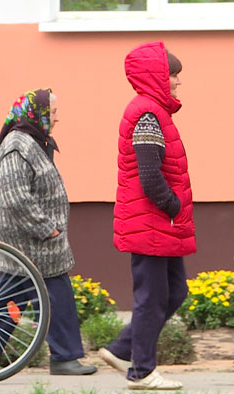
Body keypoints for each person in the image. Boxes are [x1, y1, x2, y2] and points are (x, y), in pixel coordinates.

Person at [0, 89, 97, 376]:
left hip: (38, 237)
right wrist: (46, 227)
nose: (57, 119)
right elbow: (16, 196)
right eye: (53, 113)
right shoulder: (17, 145)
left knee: (14, 294)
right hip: (31, 237)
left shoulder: (32, 140)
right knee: (54, 293)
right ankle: (64, 357)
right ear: (36, 114)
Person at [99, 41, 195, 390]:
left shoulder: (154, 111)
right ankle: (141, 371)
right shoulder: (147, 115)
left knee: (175, 291)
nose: (178, 82)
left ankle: (123, 348)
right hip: (151, 223)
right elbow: (150, 176)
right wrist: (173, 205)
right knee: (152, 297)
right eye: (174, 76)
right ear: (158, 76)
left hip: (157, 224)